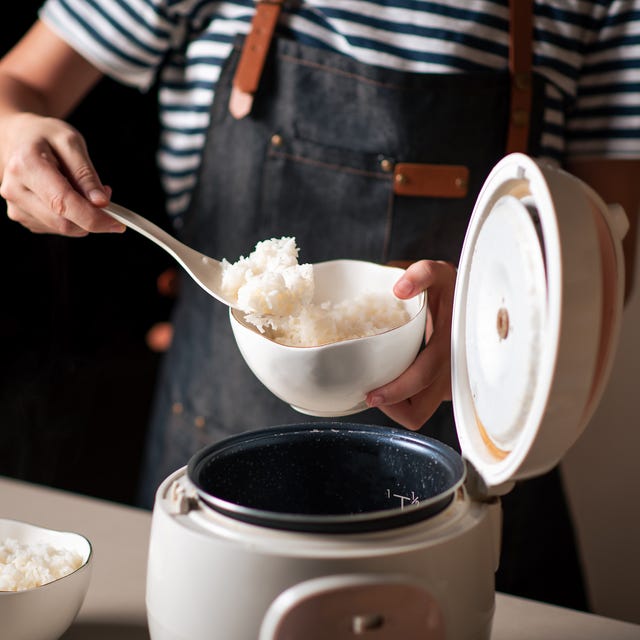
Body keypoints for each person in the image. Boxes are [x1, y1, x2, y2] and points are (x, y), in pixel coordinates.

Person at [1, 0, 639, 611]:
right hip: (216, 443)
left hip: (474, 455)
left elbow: (607, 254)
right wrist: (18, 136)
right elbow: (19, 83)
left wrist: (489, 322)